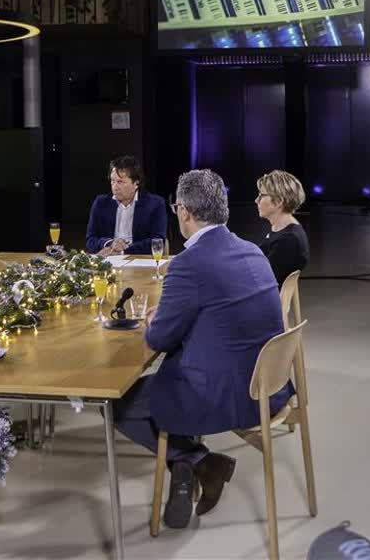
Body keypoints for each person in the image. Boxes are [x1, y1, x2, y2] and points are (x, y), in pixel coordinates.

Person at [112, 169, 293, 529]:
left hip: (228, 394)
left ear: (184, 212)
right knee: (176, 372)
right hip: (269, 387)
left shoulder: (188, 264)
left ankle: (199, 460)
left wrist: (158, 319)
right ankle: (193, 466)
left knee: (120, 404)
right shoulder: (253, 251)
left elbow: (159, 340)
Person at [85, 155, 167, 257]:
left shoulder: (155, 204)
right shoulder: (101, 203)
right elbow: (90, 240)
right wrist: (110, 243)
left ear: (136, 183)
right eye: (112, 181)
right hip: (108, 259)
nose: (115, 187)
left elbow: (158, 241)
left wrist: (122, 251)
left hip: (138, 260)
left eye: (120, 182)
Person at [255, 169, 310, 286]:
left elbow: (261, 280)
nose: (256, 201)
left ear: (279, 201)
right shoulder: (281, 231)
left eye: (261, 196)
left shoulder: (288, 239)